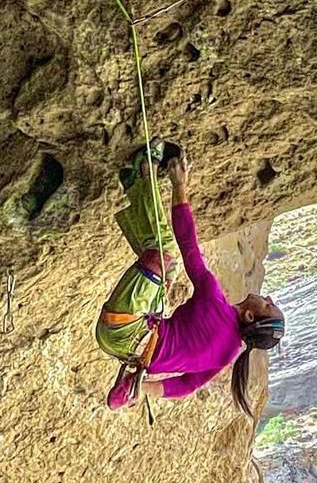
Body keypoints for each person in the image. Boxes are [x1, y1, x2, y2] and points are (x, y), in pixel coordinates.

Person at [96, 143, 285, 416]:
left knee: (164, 257)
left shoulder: (214, 301)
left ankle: (142, 172)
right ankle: (133, 186)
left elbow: (188, 244)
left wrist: (179, 185)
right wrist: (143, 387)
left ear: (249, 317)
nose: (267, 298)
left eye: (267, 306)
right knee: (165, 268)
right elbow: (186, 385)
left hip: (125, 327)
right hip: (123, 344)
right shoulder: (228, 353)